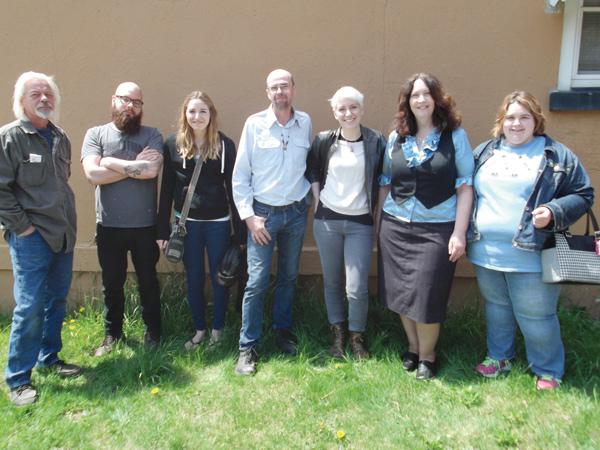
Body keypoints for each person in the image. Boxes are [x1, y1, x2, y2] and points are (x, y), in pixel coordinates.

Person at [466, 91, 594, 390]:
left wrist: (553, 210)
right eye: (510, 117)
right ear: (501, 121)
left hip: (532, 252)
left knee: (536, 314)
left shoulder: (555, 154)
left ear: (537, 120)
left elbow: (583, 194)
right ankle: (500, 357)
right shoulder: (484, 152)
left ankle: (548, 369)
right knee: (497, 306)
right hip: (485, 250)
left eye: (525, 117)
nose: (517, 123)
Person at [377, 73, 474, 380]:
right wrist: (379, 225)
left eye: (426, 94)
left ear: (436, 99)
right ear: (407, 102)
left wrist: (459, 233)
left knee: (427, 294)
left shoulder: (455, 136)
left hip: (437, 229)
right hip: (396, 226)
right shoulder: (396, 136)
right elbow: (384, 183)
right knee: (402, 292)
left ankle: (429, 356)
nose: (420, 100)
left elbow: (465, 187)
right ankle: (414, 348)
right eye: (414, 95)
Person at [0, 72, 81, 406]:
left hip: (62, 234)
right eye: (36, 94)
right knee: (30, 305)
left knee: (56, 299)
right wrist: (23, 228)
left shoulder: (60, 137)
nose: (44, 99)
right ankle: (18, 378)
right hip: (31, 237)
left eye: (49, 94)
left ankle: (49, 356)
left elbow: (61, 183)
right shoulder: (10, 137)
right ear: (22, 100)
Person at [232, 69, 312, 374]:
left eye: (285, 86)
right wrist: (250, 218)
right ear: (268, 93)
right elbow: (240, 176)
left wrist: (305, 202)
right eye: (274, 88)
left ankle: (282, 332)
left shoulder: (304, 123)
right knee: (257, 281)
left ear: (293, 89)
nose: (280, 92)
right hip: (262, 216)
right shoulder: (254, 125)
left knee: (289, 277)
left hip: (295, 214)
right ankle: (247, 347)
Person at [157, 92, 246, 350]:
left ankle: (217, 331)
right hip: (186, 226)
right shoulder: (173, 144)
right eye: (192, 111)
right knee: (194, 278)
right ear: (185, 114)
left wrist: (240, 234)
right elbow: (166, 190)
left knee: (221, 277)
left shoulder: (225, 145)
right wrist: (162, 229)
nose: (197, 117)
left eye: (203, 111)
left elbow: (233, 188)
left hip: (218, 223)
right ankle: (199, 330)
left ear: (211, 115)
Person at [81, 82, 164, 357]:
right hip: (109, 226)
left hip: (144, 226)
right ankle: (112, 334)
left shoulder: (152, 135)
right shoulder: (96, 134)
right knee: (112, 283)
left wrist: (109, 162)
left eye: (136, 102)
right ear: (113, 100)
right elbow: (92, 175)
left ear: (141, 108)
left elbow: (151, 170)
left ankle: (153, 331)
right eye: (125, 99)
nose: (130, 106)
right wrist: (132, 167)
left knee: (148, 281)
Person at [306, 86, 385, 360]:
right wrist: (317, 199)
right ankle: (338, 336)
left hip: (360, 223)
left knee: (356, 287)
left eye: (353, 107)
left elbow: (384, 178)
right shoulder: (325, 140)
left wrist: (379, 213)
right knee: (332, 281)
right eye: (342, 108)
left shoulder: (376, 141)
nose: (348, 113)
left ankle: (357, 337)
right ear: (334, 112)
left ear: (361, 109)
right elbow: (313, 167)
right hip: (327, 221)